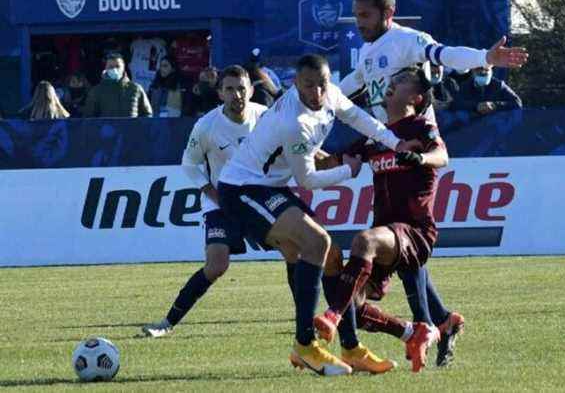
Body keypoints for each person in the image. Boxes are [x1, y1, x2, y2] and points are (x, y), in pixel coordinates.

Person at [216, 54, 418, 376]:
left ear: (329, 80)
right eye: (308, 85)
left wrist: (395, 142)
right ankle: (305, 344)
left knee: (332, 257)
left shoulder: (331, 94)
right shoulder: (294, 122)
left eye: (322, 83)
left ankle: (351, 349)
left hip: (271, 188)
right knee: (317, 241)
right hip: (242, 190)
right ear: (296, 84)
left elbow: (359, 118)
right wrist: (347, 171)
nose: (317, 92)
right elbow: (307, 180)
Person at [314, 67, 462, 372]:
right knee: (356, 305)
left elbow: (441, 156)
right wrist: (298, 146)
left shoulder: (420, 126)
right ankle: (412, 331)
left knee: (363, 241)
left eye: (400, 83)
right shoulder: (376, 135)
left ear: (416, 97)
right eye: (391, 82)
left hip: (415, 231)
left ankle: (331, 316)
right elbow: (331, 161)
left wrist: (420, 158)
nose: (390, 86)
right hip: (388, 235)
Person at [141, 65, 267, 338]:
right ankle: (168, 322)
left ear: (251, 90)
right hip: (221, 203)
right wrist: (212, 192)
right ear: (220, 93)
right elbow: (189, 163)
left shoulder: (264, 117)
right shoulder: (207, 126)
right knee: (217, 265)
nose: (237, 95)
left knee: (296, 251)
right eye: (230, 89)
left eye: (242, 88)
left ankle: (306, 325)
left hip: (258, 199)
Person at [339, 0, 529, 125]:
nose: (359, 23)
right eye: (356, 16)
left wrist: (484, 57)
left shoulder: (407, 39)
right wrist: (320, 100)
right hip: (385, 140)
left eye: (365, 15)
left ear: (388, 13)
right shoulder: (367, 50)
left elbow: (445, 54)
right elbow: (355, 81)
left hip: (415, 142)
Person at [82, 52, 152, 118]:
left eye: (117, 66)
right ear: (106, 68)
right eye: (111, 67)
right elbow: (89, 118)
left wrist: (139, 128)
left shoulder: (136, 89)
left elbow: (147, 114)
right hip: (107, 130)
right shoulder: (96, 91)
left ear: (123, 68)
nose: (114, 69)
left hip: (131, 130)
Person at [450, 65, 522, 114]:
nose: (483, 72)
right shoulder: (465, 86)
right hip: (472, 126)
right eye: (479, 70)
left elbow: (517, 103)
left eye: (486, 70)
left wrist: (494, 105)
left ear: (491, 71)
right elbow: (457, 104)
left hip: (494, 127)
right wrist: (476, 106)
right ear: (473, 72)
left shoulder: (499, 85)